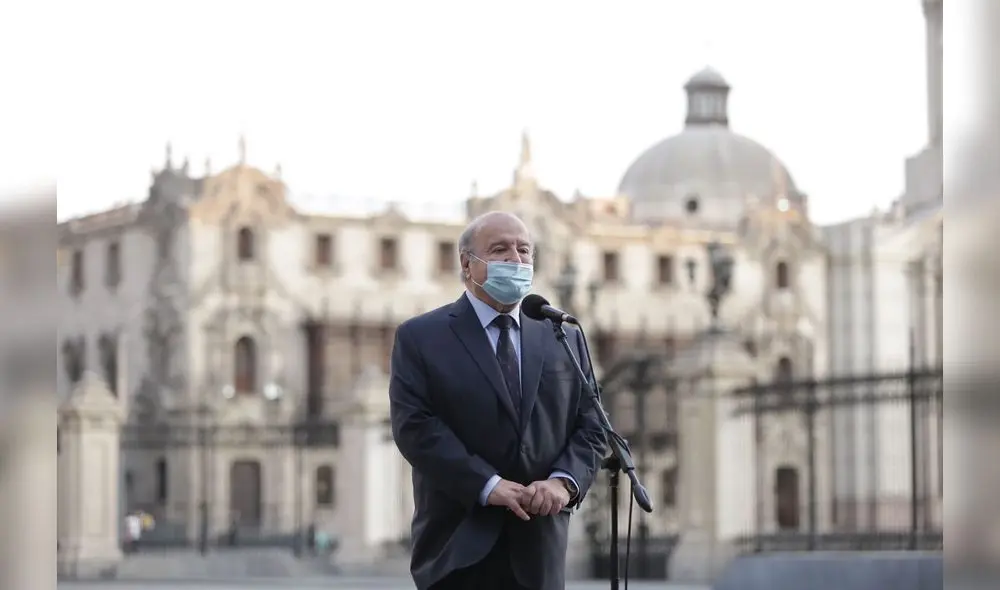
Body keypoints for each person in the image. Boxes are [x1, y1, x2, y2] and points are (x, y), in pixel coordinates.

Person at [389, 211, 605, 590]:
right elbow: (416, 428)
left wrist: (562, 483)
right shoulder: (422, 337)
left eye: (524, 250)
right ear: (467, 263)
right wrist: (488, 485)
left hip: (539, 551)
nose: (516, 260)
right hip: (457, 547)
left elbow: (594, 426)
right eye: (500, 249)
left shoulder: (563, 338)